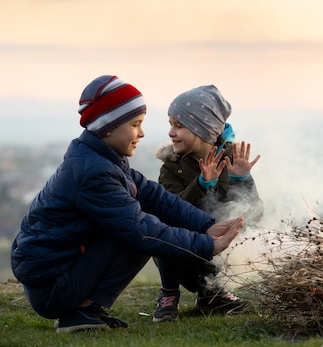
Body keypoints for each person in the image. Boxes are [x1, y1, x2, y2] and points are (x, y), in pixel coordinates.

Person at [10, 75, 243, 333]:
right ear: (109, 126)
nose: (142, 133)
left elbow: (156, 196)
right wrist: (207, 245)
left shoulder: (103, 159)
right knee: (141, 232)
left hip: (56, 276)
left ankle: (86, 310)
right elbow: (141, 230)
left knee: (145, 221)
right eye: (135, 124)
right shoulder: (94, 172)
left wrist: (207, 225)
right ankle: (78, 313)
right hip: (52, 287)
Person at [152, 85, 263, 322]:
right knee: (162, 226)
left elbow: (253, 215)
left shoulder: (232, 159)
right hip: (180, 253)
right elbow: (170, 210)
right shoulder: (171, 166)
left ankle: (211, 295)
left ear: (202, 130)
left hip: (219, 255)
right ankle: (169, 293)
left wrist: (242, 180)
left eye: (179, 126)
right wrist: (202, 184)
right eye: (170, 124)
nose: (171, 132)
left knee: (231, 232)